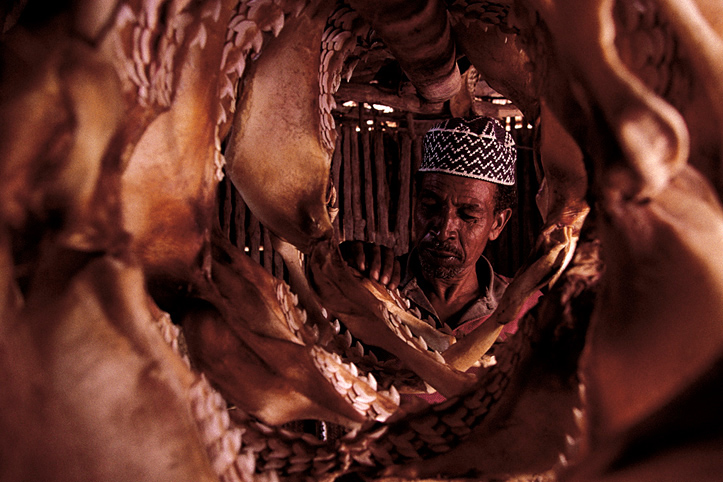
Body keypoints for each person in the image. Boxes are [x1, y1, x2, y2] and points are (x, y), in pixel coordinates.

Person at [342, 115, 528, 341]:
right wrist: (335, 266)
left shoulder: (526, 313)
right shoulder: (369, 283)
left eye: (468, 215)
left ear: (497, 223)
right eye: (430, 205)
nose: (443, 229)